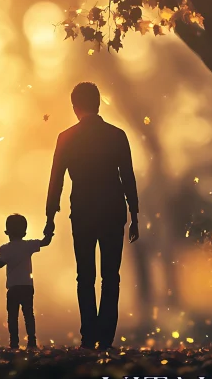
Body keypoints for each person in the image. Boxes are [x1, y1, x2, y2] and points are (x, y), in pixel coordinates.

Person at [44, 82, 140, 350]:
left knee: (84, 275)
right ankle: (106, 336)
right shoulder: (117, 135)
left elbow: (56, 181)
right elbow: (128, 177)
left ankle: (89, 335)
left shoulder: (66, 137)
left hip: (83, 212)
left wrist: (50, 216)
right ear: (98, 104)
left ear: (75, 108)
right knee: (111, 275)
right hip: (112, 211)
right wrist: (135, 214)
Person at [0, 214, 52, 349]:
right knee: (28, 314)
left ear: (7, 231)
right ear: (24, 231)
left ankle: (14, 342)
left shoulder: (4, 248)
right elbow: (45, 242)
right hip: (27, 286)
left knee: (12, 316)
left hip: (13, 288)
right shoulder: (28, 245)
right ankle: (32, 341)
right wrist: (50, 230)